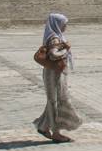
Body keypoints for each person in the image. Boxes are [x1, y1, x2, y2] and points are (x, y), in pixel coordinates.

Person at [33, 12, 82, 142]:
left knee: (53, 100)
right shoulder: (55, 38)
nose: (65, 27)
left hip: (53, 72)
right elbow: (55, 55)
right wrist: (66, 49)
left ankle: (43, 126)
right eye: (64, 24)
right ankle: (56, 132)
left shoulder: (53, 35)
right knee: (57, 100)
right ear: (57, 24)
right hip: (54, 74)